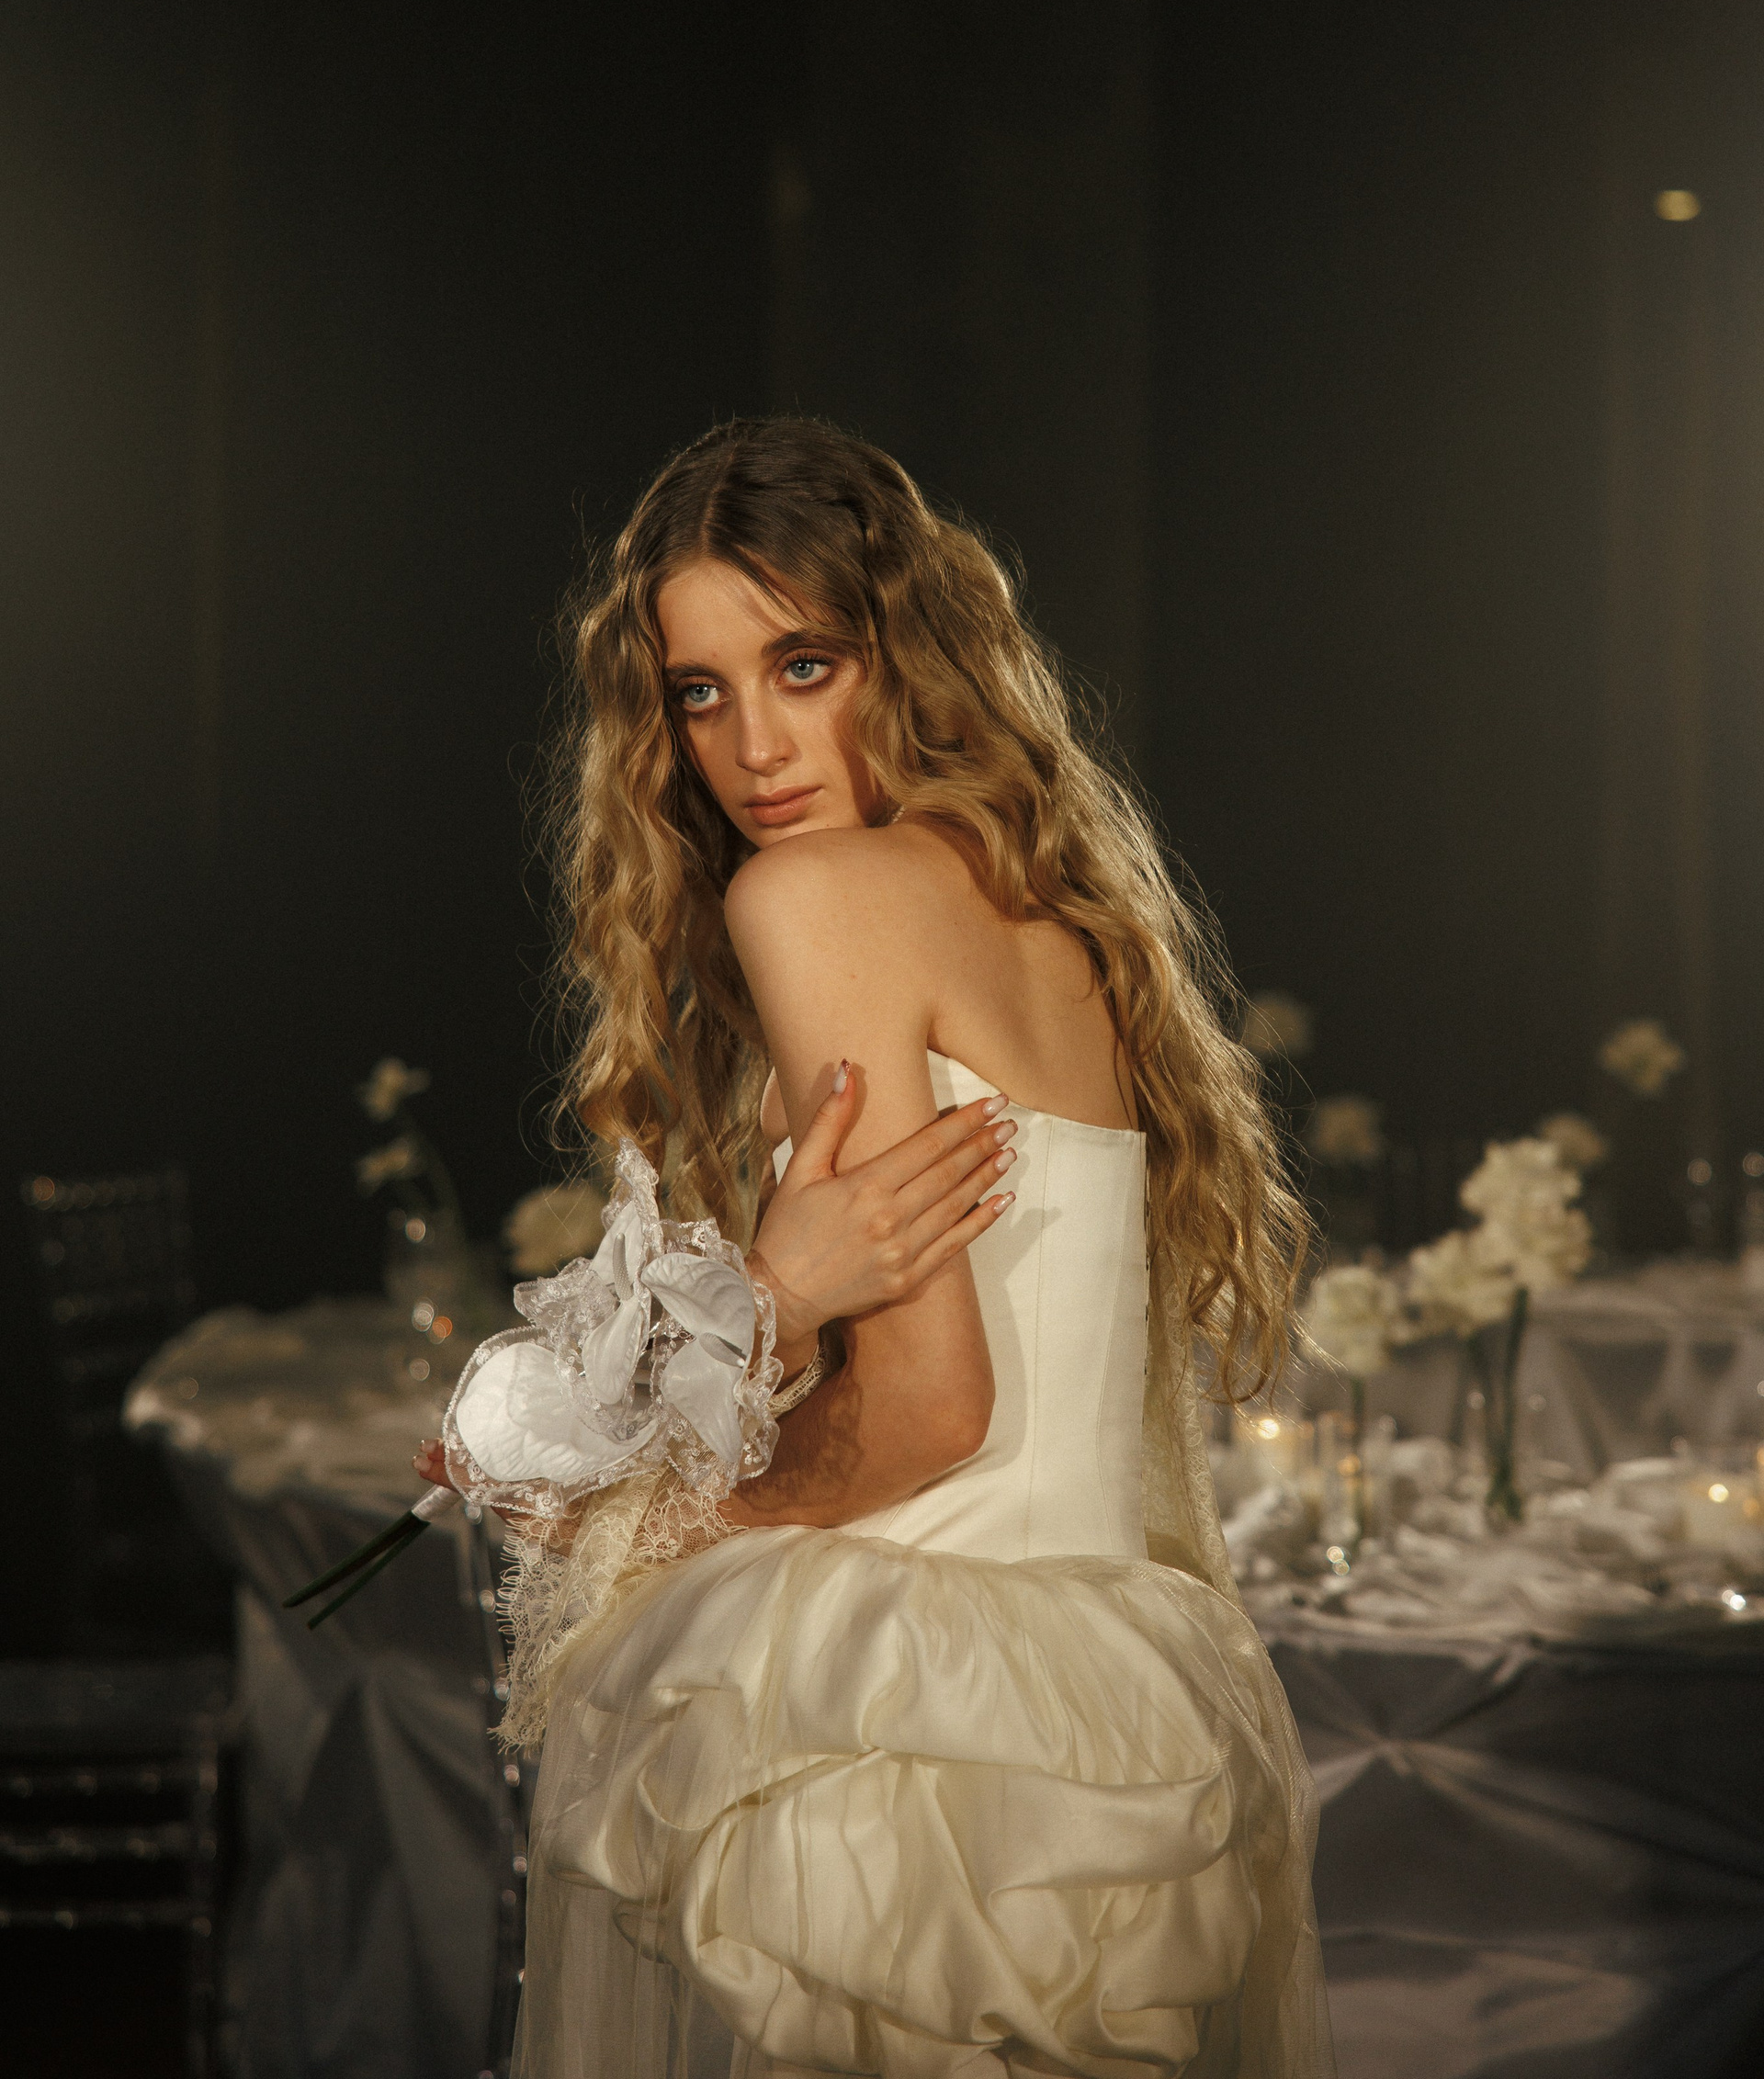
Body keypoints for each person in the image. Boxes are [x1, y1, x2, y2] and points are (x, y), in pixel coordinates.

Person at [418, 416, 1333, 2077]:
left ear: (904, 654)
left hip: (910, 1712)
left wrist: (649, 1525)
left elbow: (929, 1412)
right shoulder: (1039, 905)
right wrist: (766, 1307)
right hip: (1091, 1711)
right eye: (700, 693)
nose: (753, 746)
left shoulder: (817, 895)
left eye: (803, 665)